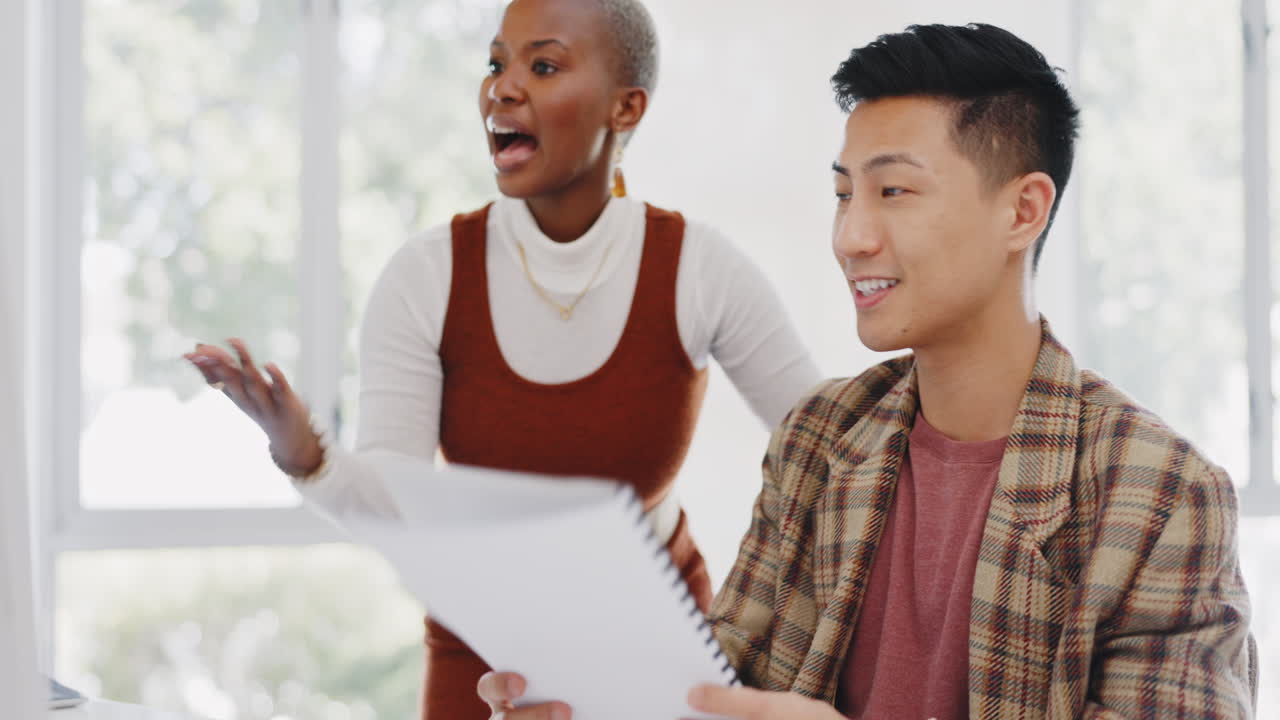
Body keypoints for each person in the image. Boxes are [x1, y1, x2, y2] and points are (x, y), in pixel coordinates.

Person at [476, 22, 1259, 720]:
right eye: (844, 192)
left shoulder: (1163, 496)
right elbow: (721, 688)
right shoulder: (819, 438)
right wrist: (594, 701)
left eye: (893, 191)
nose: (850, 236)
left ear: (1023, 211)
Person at [183, 0, 819, 718]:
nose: (502, 88)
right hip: (485, 654)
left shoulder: (701, 269)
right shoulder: (426, 275)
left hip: (653, 644)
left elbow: (835, 450)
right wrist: (305, 454)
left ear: (626, 107)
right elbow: (395, 499)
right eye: (495, 63)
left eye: (542, 66)